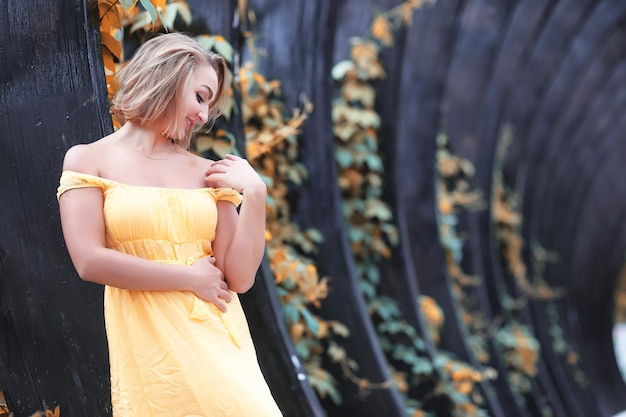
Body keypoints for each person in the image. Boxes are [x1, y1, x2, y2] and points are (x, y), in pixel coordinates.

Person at [57, 32, 282, 417]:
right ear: (168, 77)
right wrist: (189, 278)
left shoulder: (209, 174)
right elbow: (89, 262)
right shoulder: (88, 160)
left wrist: (256, 195)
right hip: (151, 363)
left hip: (219, 349)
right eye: (200, 96)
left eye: (209, 104)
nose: (204, 116)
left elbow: (239, 279)